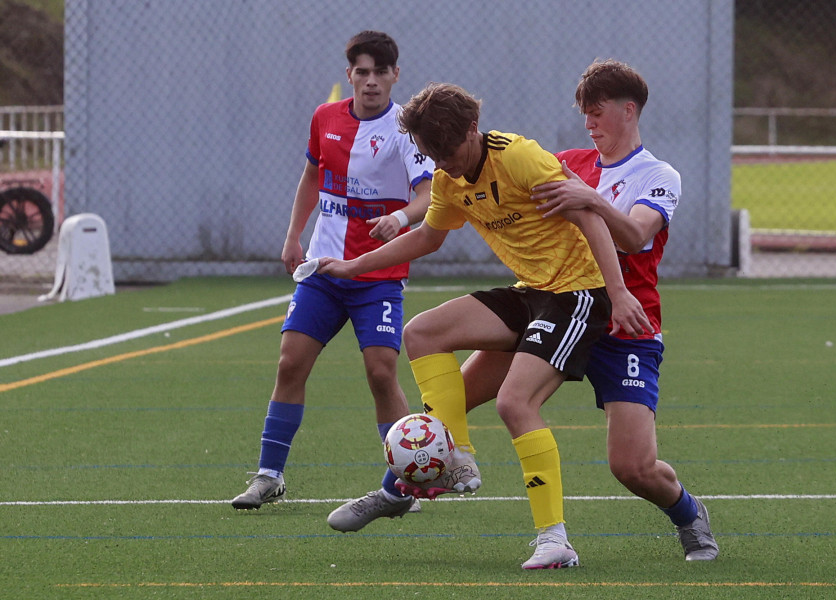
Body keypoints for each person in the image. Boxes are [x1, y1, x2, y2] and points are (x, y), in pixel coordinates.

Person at [317, 82, 652, 569]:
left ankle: (555, 541)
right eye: (432, 154)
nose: (444, 164)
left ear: (472, 129)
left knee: (515, 403)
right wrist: (352, 266)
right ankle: (454, 459)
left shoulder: (519, 157)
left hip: (578, 293)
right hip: (530, 292)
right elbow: (428, 238)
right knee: (422, 332)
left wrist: (619, 294)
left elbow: (591, 219)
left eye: (448, 151)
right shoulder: (448, 177)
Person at [460, 58, 719, 562]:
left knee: (632, 467)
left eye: (597, 113)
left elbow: (637, 235)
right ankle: (395, 488)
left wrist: (591, 200)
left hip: (625, 325)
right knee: (456, 397)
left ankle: (689, 514)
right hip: (559, 307)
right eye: (584, 113)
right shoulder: (568, 160)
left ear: (629, 110)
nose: (588, 124)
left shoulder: (659, 175)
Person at [231, 31, 435, 535]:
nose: (370, 81)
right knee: (290, 362)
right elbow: (311, 178)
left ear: (395, 75)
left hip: (377, 275)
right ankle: (269, 475)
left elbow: (429, 196)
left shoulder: (408, 128)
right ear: (350, 75)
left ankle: (404, 482)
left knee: (382, 372)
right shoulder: (326, 118)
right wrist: (293, 236)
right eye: (361, 72)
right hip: (323, 270)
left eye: (379, 72)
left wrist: (401, 219)